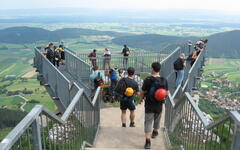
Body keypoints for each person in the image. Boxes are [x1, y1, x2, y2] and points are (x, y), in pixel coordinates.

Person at [140, 62, 168, 149]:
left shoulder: (148, 79)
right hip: (159, 104)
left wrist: (140, 99)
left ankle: (148, 142)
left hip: (149, 104)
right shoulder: (164, 80)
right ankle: (155, 131)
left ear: (152, 69)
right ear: (159, 69)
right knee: (157, 119)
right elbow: (167, 93)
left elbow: (143, 91)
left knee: (148, 122)